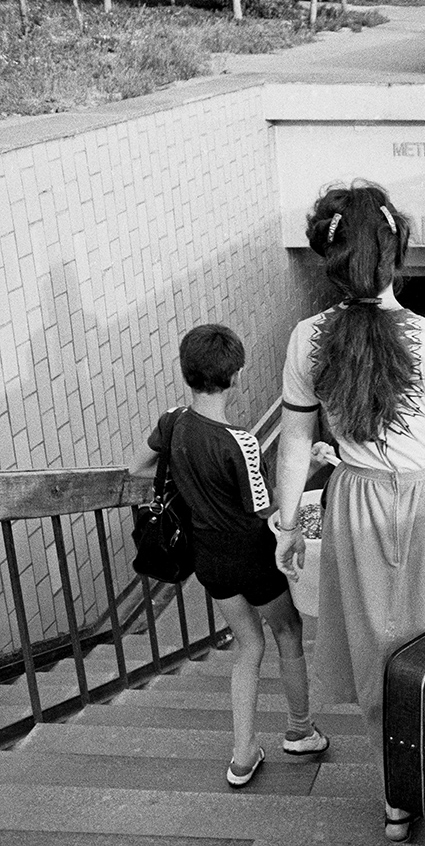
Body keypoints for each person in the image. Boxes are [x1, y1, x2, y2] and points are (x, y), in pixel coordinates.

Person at [273, 183, 425, 844]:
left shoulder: (306, 338)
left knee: (378, 661)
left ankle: (397, 797)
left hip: (354, 503)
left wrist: (289, 524)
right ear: (397, 251)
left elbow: (292, 445)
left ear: (329, 255)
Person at [130, 324, 329, 791]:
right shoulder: (239, 443)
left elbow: (136, 465)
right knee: (287, 631)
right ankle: (300, 731)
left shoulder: (174, 421)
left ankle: (243, 756)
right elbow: (270, 511)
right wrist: (313, 465)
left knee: (247, 645)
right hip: (252, 557)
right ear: (237, 374)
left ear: (186, 373)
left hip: (209, 560)